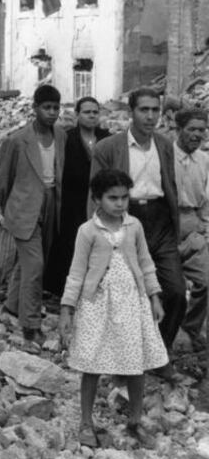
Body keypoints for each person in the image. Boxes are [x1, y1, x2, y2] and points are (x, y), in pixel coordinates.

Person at [59, 169, 167, 448]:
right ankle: (86, 422)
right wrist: (67, 308)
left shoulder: (134, 227)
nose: (119, 204)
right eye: (112, 198)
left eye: (124, 198)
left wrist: (154, 296)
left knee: (136, 362)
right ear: (97, 199)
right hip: (97, 303)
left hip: (132, 301)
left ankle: (134, 421)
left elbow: (145, 262)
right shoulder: (87, 231)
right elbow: (76, 271)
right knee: (92, 363)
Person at [91, 88, 185, 377]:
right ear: (130, 112)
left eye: (155, 110)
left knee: (176, 292)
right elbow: (95, 193)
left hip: (160, 222)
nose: (150, 116)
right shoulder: (108, 148)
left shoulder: (165, 145)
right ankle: (126, 359)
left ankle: (161, 352)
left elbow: (169, 184)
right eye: (144, 110)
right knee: (127, 292)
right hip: (126, 220)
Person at [0, 84, 67, 343]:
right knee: (35, 265)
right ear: (35, 108)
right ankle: (31, 324)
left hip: (51, 204)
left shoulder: (61, 136)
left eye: (56, 108)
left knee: (30, 262)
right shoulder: (17, 140)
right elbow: (4, 180)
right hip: (24, 206)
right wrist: (9, 209)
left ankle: (13, 305)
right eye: (46, 107)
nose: (51, 113)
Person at [46, 96, 111, 296]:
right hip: (72, 200)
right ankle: (64, 290)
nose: (91, 116)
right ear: (77, 115)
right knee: (71, 243)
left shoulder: (106, 137)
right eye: (86, 112)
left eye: (95, 112)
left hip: (100, 201)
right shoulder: (68, 138)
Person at [173, 108, 209, 352]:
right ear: (179, 130)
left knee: (205, 280)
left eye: (201, 130)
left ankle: (192, 328)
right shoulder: (165, 154)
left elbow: (206, 200)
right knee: (169, 288)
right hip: (166, 224)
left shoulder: (205, 160)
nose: (197, 135)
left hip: (194, 221)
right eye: (192, 129)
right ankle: (162, 336)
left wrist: (205, 229)